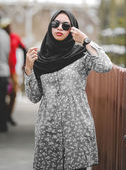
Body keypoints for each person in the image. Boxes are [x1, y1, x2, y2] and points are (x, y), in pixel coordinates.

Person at [24, 10, 112, 170]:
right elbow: (34, 96)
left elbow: (105, 66)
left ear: (73, 30)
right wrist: (29, 70)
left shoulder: (82, 55)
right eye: (55, 24)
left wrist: (86, 40)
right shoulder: (41, 59)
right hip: (48, 128)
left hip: (76, 127)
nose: (59, 28)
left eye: (66, 26)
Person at [2, 18, 27, 126]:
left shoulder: (15, 37)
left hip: (12, 71)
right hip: (2, 71)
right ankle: (2, 115)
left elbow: (24, 48)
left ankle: (8, 115)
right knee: (2, 94)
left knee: (13, 94)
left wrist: (25, 64)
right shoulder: (1, 38)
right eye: (6, 26)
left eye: (9, 26)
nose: (8, 28)